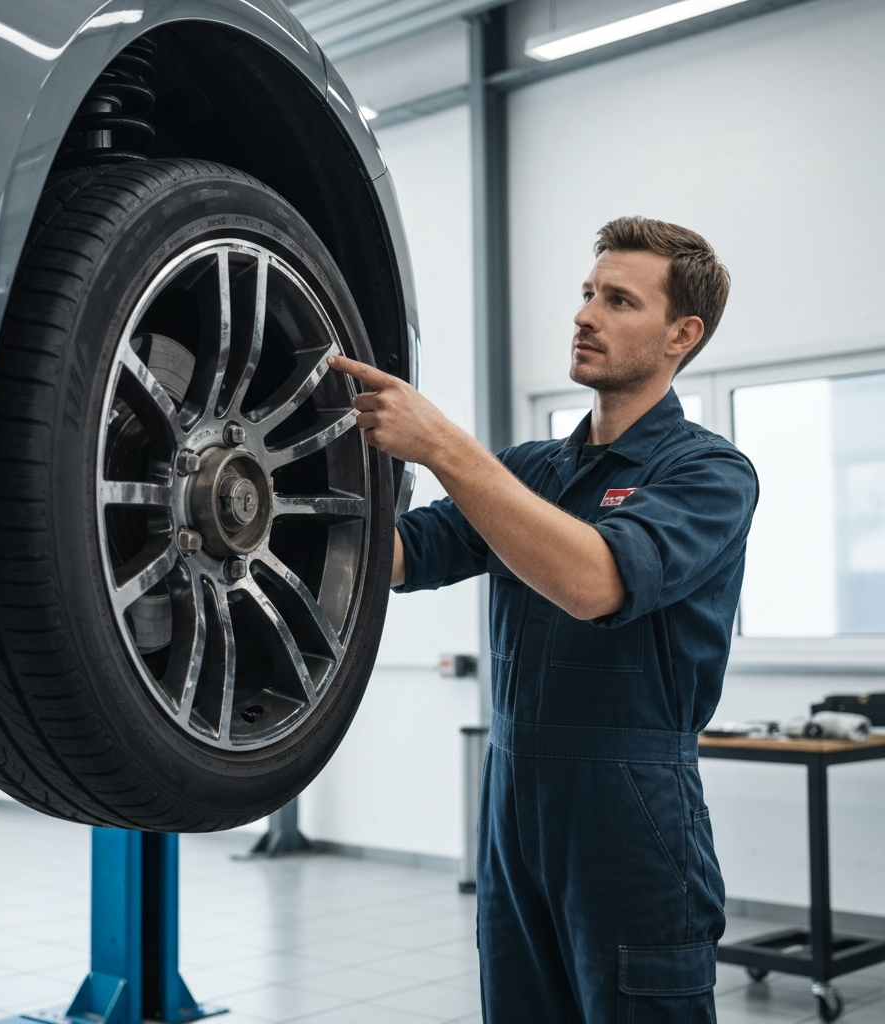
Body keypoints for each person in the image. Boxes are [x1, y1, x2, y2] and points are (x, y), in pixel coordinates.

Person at [328, 216, 758, 1023]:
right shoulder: (532, 470)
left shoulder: (709, 473)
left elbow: (594, 580)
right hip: (514, 799)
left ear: (681, 334)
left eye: (620, 300)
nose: (585, 314)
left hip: (631, 811)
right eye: (588, 292)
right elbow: (395, 558)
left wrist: (446, 447)